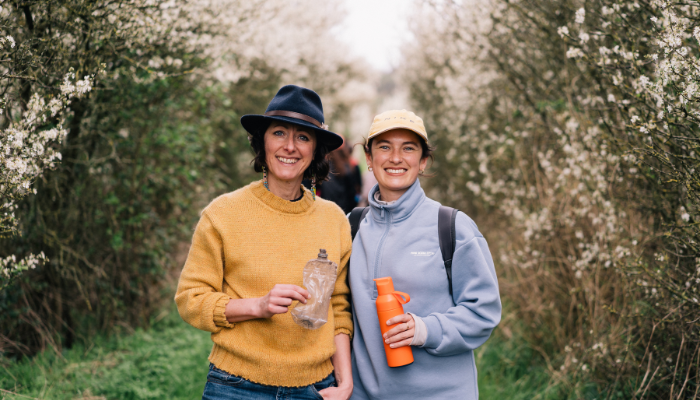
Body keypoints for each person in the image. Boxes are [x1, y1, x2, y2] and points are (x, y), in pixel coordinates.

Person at [175, 85, 354, 400]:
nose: (289, 146)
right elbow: (191, 299)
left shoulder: (334, 220)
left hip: (318, 389)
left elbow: (338, 309)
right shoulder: (223, 214)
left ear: (315, 150)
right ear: (262, 142)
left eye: (303, 137)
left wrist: (345, 383)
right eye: (279, 133)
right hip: (236, 387)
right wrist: (256, 306)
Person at [348, 110, 502, 400]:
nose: (396, 157)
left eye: (408, 148)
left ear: (422, 162)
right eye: (384, 147)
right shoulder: (352, 227)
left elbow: (484, 312)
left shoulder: (452, 226)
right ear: (369, 159)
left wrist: (424, 329)